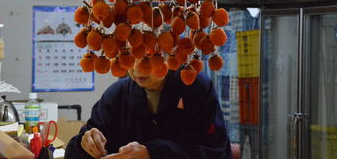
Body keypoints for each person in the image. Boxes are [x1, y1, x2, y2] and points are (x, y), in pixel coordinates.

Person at [65, 62, 232, 159]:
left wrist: (151, 153)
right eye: (130, 55)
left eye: (147, 57)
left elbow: (213, 151)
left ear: (170, 53)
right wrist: (85, 143)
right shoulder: (117, 94)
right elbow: (77, 150)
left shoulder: (194, 87)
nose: (137, 67)